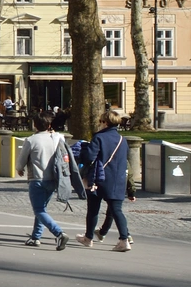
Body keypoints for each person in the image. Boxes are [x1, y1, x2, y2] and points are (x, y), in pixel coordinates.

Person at [78, 107, 134, 252]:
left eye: (101, 121)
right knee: (117, 210)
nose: (100, 124)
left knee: (93, 209)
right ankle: (124, 239)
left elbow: (89, 157)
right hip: (117, 179)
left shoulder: (99, 137)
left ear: (105, 123)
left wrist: (83, 150)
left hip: (99, 177)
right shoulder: (123, 140)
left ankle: (88, 238)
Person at [17, 111, 71, 250]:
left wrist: (20, 168)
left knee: (39, 210)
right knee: (42, 208)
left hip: (37, 178)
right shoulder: (58, 137)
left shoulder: (31, 140)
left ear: (35, 125)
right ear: (49, 124)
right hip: (53, 179)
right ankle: (36, 237)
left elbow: (20, 162)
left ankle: (59, 233)